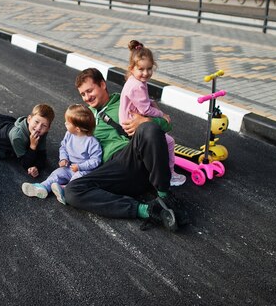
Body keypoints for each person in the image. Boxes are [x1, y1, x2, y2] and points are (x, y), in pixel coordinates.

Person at [65, 68, 190, 232]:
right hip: (112, 171)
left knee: (148, 129)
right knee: (72, 191)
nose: (87, 97)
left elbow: (166, 124)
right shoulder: (85, 116)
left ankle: (164, 197)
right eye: (83, 94)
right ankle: (149, 211)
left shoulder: (127, 101)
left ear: (102, 84)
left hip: (134, 156)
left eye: (90, 90)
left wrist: (144, 120)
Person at [120, 40, 186, 187]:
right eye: (141, 69)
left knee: (161, 136)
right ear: (132, 68)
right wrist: (162, 114)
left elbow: (142, 102)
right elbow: (145, 110)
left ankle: (157, 161)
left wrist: (150, 101)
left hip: (131, 119)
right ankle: (169, 174)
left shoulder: (134, 80)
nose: (146, 73)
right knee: (168, 140)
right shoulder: (137, 86)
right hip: (132, 124)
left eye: (149, 69)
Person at [21, 104, 102, 204]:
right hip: (70, 167)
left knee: (76, 179)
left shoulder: (91, 142)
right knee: (57, 173)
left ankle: (64, 190)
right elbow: (63, 147)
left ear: (77, 128)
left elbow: (96, 160)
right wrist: (63, 159)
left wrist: (80, 167)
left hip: (84, 171)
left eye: (68, 123)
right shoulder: (69, 134)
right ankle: (43, 187)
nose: (65, 124)